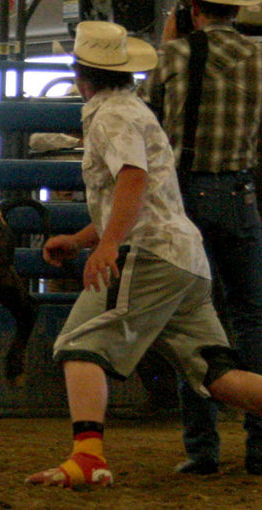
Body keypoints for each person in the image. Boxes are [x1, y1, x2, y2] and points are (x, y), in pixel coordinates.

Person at [25, 20, 262, 489]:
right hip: (185, 260)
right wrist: (82, 239)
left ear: (80, 72)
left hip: (151, 255)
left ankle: (88, 458)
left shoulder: (110, 116)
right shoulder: (132, 110)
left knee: (79, 345)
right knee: (219, 376)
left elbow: (132, 178)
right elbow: (138, 194)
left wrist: (108, 243)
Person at [139, 0, 262, 475]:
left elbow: (148, 126)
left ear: (193, 10)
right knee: (251, 317)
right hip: (240, 192)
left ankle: (202, 448)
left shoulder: (171, 57)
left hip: (182, 197)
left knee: (191, 318)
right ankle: (258, 447)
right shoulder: (258, 58)